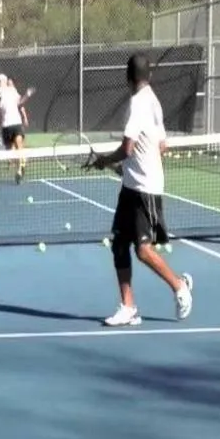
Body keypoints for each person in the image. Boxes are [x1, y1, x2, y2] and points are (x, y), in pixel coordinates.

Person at [88, 53, 194, 326]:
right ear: (149, 75)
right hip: (133, 186)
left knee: (143, 250)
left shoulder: (137, 104)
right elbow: (161, 145)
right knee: (120, 245)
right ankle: (128, 306)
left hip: (144, 189)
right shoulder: (154, 102)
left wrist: (104, 161)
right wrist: (127, 168)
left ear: (127, 77)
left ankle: (179, 286)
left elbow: (127, 148)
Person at [0, 75, 31, 183]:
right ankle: (20, 164)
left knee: (19, 146)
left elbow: (20, 102)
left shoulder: (13, 90)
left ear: (4, 81)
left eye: (0, 81)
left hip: (16, 124)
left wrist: (27, 96)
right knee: (10, 153)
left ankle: (19, 170)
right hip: (5, 126)